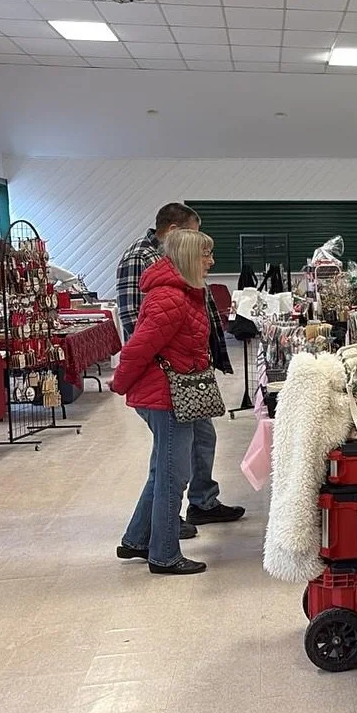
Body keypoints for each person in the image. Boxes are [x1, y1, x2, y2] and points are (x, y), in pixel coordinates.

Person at [116, 202, 241, 533]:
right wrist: (159, 367)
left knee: (192, 447)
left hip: (184, 375)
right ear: (175, 233)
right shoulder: (141, 259)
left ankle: (190, 508)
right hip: (168, 380)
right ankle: (164, 529)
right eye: (197, 239)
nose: (209, 260)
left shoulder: (174, 266)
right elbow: (136, 325)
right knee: (171, 466)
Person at [112, 230, 221, 575]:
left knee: (163, 471)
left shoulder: (183, 294)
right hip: (168, 397)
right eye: (205, 255)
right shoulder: (171, 298)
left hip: (170, 394)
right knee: (174, 476)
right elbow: (137, 348)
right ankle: (164, 554)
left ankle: (137, 539)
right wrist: (119, 384)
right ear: (189, 256)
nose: (211, 262)